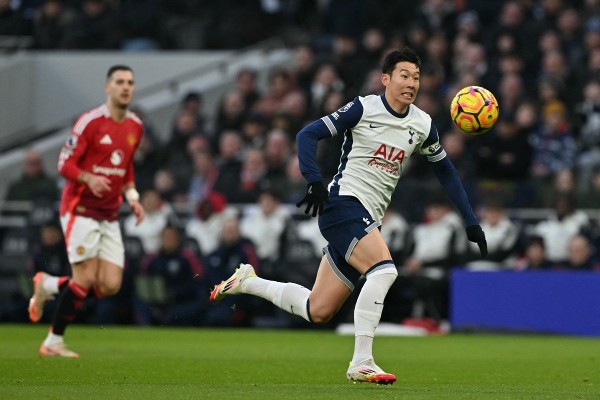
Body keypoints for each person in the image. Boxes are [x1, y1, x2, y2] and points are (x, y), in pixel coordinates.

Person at [209, 48, 487, 384]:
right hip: (342, 204)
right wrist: (314, 181)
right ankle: (362, 361)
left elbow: (446, 172)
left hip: (367, 218)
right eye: (404, 75)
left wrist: (470, 220)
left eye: (416, 77)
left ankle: (248, 282)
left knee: (318, 309)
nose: (411, 83)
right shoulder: (363, 108)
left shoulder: (423, 124)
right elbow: (307, 134)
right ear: (385, 79)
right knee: (385, 271)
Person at [27, 65, 145, 357]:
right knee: (84, 278)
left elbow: (126, 168)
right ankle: (53, 342)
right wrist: (88, 178)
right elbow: (64, 164)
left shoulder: (135, 127)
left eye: (130, 82)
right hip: (80, 209)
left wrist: (133, 197)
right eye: (119, 82)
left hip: (109, 213)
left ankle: (48, 284)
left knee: (110, 285)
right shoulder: (90, 122)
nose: (125, 87)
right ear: (107, 87)